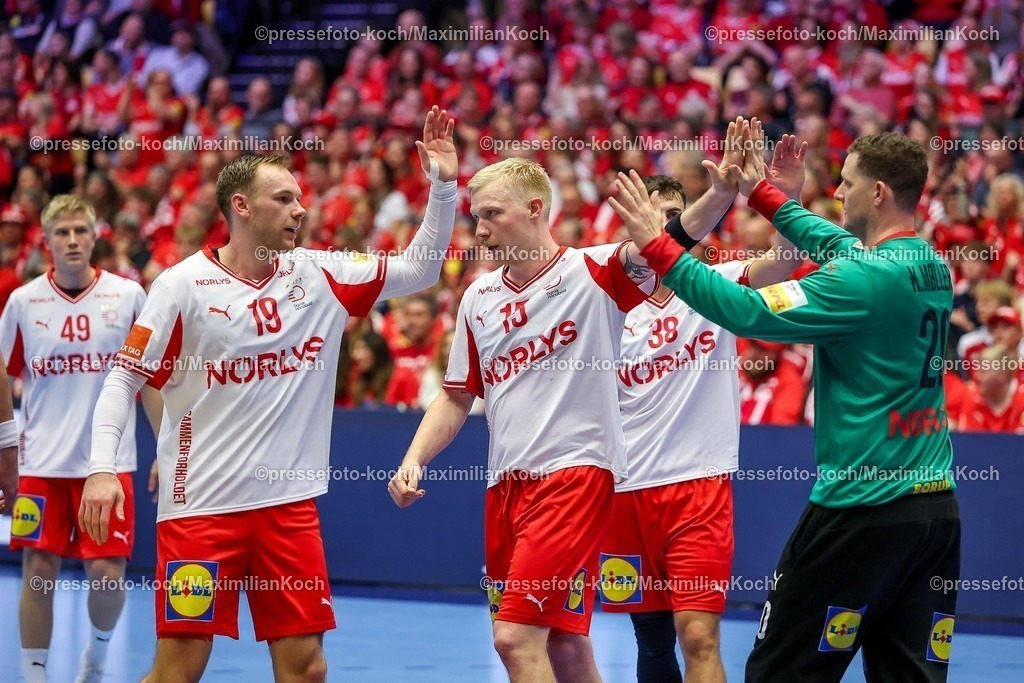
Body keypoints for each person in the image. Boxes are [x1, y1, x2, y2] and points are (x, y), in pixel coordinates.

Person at [78, 106, 459, 682]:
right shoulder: (181, 286)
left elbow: (422, 269)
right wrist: (103, 468)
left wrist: (444, 185)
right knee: (178, 669)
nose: (300, 209)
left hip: (289, 509)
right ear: (241, 206)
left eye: (300, 198)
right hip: (201, 508)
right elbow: (123, 379)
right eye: (283, 198)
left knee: (306, 669)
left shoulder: (322, 273)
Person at [610, 126, 960, 682]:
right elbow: (838, 244)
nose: (838, 194)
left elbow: (747, 311)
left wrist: (658, 244)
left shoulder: (859, 282)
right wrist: (769, 195)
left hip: (860, 508)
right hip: (935, 512)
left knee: (779, 672)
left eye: (846, 184)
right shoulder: (928, 263)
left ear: (878, 194)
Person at [387, 155, 660, 683]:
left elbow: (668, 243)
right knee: (565, 645)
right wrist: (414, 459)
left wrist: (724, 197)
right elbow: (457, 396)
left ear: (536, 208)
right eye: (474, 216)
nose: (480, 229)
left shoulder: (594, 269)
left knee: (513, 639)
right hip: (505, 487)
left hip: (574, 477)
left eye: (491, 213)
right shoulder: (477, 297)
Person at [603, 138, 805, 683]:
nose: (667, 226)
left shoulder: (717, 285)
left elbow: (784, 262)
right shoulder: (602, 299)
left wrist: (784, 196)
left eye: (676, 216)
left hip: (697, 487)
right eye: (653, 216)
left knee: (697, 634)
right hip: (623, 490)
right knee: (649, 638)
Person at [0, 195, 161, 683]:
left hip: (107, 466)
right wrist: (7, 450)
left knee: (109, 577)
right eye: (62, 233)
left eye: (80, 232)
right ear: (46, 242)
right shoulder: (23, 302)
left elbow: (150, 377)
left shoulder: (129, 296)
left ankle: (97, 654)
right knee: (38, 573)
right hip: (40, 466)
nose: (72, 240)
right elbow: (3, 376)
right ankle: (34, 675)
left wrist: (168, 448)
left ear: (94, 238)